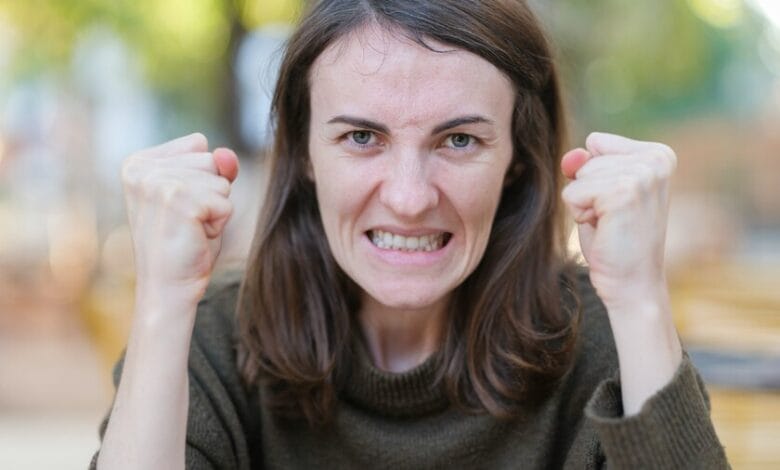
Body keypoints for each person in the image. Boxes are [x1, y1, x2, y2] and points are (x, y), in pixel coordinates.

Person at [92, 1, 730, 468]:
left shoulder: (603, 340)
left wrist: (641, 298)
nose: (407, 197)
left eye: (458, 140)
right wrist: (162, 303)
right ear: (306, 153)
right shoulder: (211, 338)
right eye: (362, 137)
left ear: (517, 155)